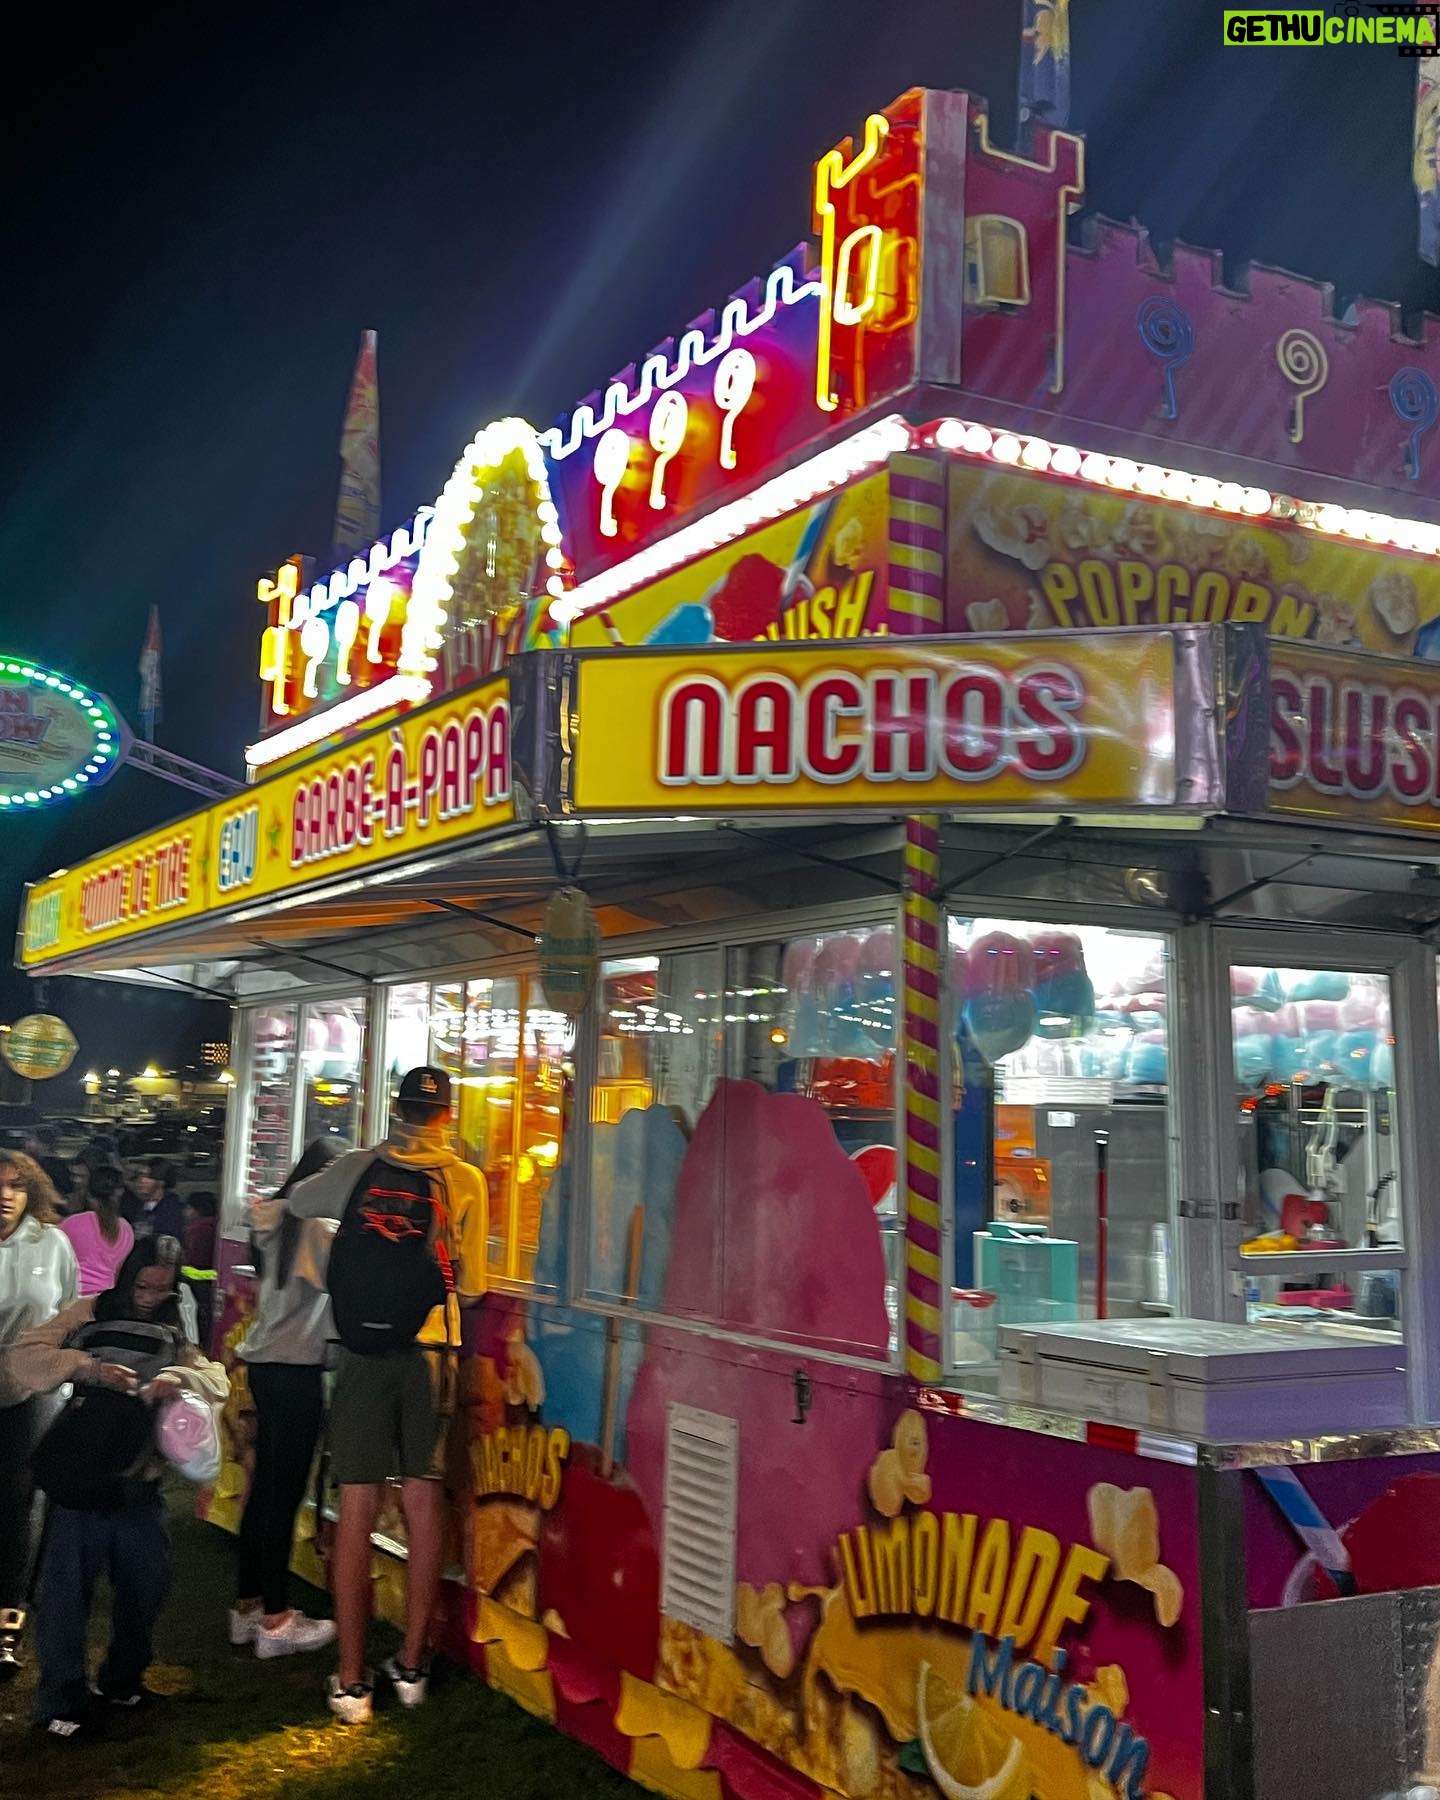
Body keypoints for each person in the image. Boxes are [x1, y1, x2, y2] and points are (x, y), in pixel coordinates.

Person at [289, 1068, 487, 1723]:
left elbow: (298, 1202)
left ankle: (351, 1681)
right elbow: (473, 1288)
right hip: (431, 1352)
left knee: (358, 1503)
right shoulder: (465, 1179)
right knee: (424, 1501)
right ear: (448, 1114)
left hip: (363, 1353)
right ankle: (410, 1666)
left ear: (398, 1108)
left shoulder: (358, 1166)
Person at [5, 1236, 227, 1739]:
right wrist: (88, 1367)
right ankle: (61, 1702)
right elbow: (24, 1355)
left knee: (146, 1586)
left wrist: (178, 1376)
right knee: (65, 1595)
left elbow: (215, 1378)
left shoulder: (176, 1318)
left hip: (139, 1480)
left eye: (161, 1288)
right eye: (142, 1286)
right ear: (128, 1277)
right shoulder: (90, 1309)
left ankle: (123, 1681)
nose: (149, 1297)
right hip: (83, 1478)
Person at [230, 1140, 346, 1662]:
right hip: (296, 1371)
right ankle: (276, 1620)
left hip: (267, 1367)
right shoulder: (317, 1230)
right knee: (283, 1494)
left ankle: (248, 1606)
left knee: (264, 1493)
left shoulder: (276, 1221)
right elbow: (350, 1289)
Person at [0, 1154, 79, 1679]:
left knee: (19, 1501)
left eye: (16, 1185)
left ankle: (9, 1617)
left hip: (31, 1389)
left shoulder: (51, 1244)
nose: (5, 1195)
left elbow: (69, 1311)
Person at [60, 1165, 135, 1297]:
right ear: (119, 1193)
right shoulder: (127, 1229)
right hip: (107, 1299)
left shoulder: (72, 1223)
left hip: (72, 1297)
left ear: (88, 1193)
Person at [133, 1159, 186, 1243]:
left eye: (148, 1177)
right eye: (139, 1176)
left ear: (161, 1181)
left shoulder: (171, 1208)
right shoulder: (143, 1204)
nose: (141, 1180)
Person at [25, 1128, 74, 1208]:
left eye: (31, 1140)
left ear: (44, 1144)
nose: (27, 1144)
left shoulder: (52, 1166)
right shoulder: (59, 1164)